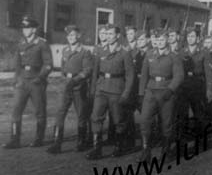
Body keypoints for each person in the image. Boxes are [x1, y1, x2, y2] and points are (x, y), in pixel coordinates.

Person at [86, 24, 135, 160]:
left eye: (110, 34)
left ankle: (119, 146)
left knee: (118, 119)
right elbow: (95, 72)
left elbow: (130, 75)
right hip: (101, 89)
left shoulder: (124, 53)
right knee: (96, 117)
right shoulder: (100, 51)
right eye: (106, 34)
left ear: (117, 36)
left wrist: (126, 93)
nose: (108, 37)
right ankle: (97, 149)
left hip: (116, 90)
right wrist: (93, 89)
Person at [4, 16, 53, 149]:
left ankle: (38, 139)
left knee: (40, 111)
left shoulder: (42, 43)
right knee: (16, 110)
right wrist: (16, 80)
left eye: (27, 28)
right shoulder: (21, 44)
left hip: (36, 81)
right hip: (22, 81)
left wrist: (40, 78)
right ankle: (15, 139)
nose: (25, 30)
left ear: (34, 29)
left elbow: (48, 64)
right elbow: (17, 64)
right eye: (24, 28)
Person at [137, 29, 184, 162]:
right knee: (144, 120)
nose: (160, 42)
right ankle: (146, 151)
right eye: (157, 40)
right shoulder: (149, 54)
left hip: (166, 92)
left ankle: (166, 150)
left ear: (168, 40)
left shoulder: (174, 56)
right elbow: (144, 75)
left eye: (162, 39)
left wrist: (170, 90)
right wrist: (141, 93)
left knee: (166, 123)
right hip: (151, 91)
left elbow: (179, 76)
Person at [47, 25, 93, 154]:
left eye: (73, 35)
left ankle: (81, 142)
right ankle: (57, 143)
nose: (71, 38)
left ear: (78, 36)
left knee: (82, 115)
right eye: (69, 36)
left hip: (79, 87)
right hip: (66, 86)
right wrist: (64, 79)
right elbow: (63, 68)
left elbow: (87, 70)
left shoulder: (85, 51)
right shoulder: (65, 50)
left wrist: (75, 80)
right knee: (60, 113)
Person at [178, 27, 212, 137]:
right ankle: (183, 137)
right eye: (188, 36)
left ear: (198, 38)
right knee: (182, 113)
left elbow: (209, 73)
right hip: (184, 87)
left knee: (199, 113)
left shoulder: (204, 52)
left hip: (198, 86)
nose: (190, 38)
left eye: (193, 36)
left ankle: (201, 137)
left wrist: (209, 89)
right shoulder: (181, 52)